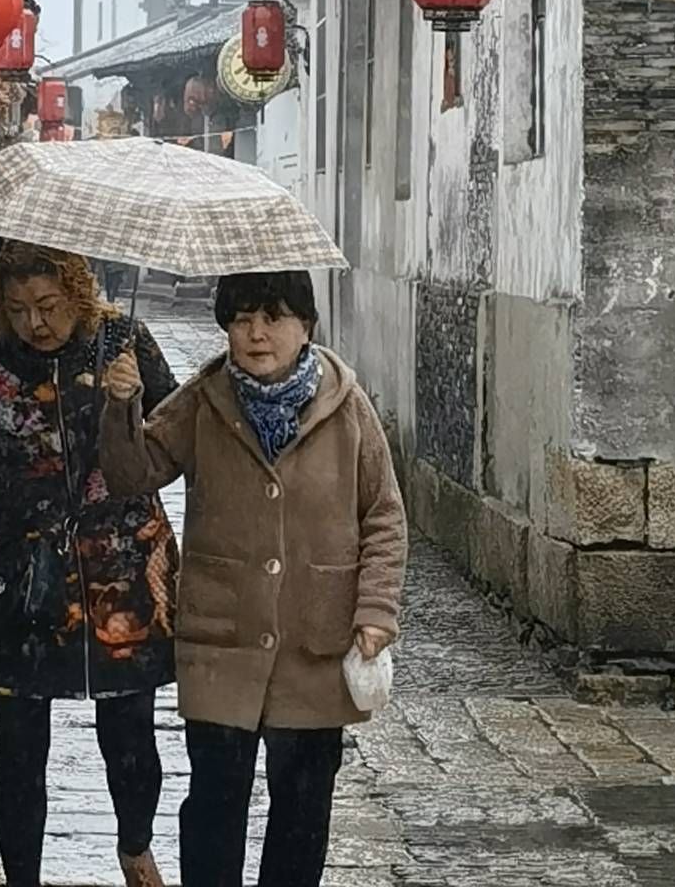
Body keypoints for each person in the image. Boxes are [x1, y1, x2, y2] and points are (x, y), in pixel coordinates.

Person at [101, 270, 407, 887]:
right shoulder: (204, 398)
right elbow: (133, 472)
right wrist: (120, 405)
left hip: (314, 637)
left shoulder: (347, 406)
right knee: (215, 800)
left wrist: (375, 610)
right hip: (223, 634)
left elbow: (384, 514)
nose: (256, 334)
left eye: (273, 318)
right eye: (241, 319)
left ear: (307, 326)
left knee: (303, 805)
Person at [0, 243, 178, 887]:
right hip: (23, 575)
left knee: (129, 730)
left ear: (76, 292)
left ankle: (135, 846)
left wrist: (126, 404)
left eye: (47, 306)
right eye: (16, 309)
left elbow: (175, 441)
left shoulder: (123, 342)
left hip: (120, 569)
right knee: (18, 743)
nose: (34, 323)